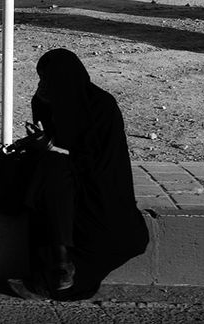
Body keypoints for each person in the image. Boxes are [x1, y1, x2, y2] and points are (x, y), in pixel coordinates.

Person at [10, 48, 149, 301]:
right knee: (48, 172)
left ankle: (58, 270)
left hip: (100, 182)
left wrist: (52, 148)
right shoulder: (47, 101)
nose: (42, 85)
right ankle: (59, 267)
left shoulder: (101, 107)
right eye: (40, 79)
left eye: (47, 79)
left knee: (52, 173)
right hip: (63, 177)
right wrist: (42, 139)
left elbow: (93, 160)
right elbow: (58, 143)